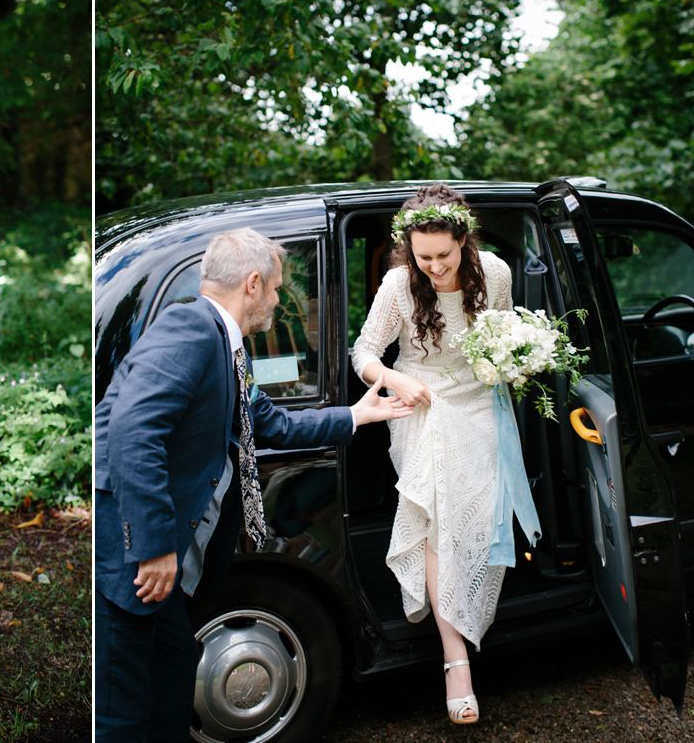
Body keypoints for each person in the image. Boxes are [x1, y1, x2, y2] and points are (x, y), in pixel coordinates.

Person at [94, 227, 413, 742]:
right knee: (123, 711)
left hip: (162, 563)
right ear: (252, 283)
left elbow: (270, 424)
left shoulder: (226, 344)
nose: (279, 298)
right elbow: (131, 432)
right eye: (277, 287)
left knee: (172, 678)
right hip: (129, 557)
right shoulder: (191, 329)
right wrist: (153, 547)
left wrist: (357, 414)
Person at [351, 183, 541, 725]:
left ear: (465, 241)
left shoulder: (497, 273)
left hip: (481, 404)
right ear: (408, 247)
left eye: (444, 255)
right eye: (422, 255)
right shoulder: (397, 285)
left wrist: (514, 359)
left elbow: (500, 336)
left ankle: (468, 609)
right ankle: (455, 659)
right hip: (423, 404)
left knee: (477, 518)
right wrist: (392, 379)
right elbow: (363, 352)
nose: (433, 266)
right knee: (437, 521)